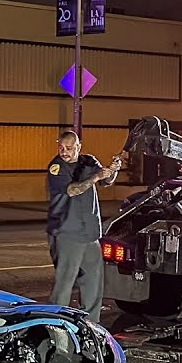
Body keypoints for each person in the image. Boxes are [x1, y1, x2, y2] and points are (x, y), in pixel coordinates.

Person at [46, 130, 123, 321]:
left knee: (93, 282)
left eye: (69, 148)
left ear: (78, 147)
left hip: (89, 233)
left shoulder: (88, 161)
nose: (64, 151)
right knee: (64, 283)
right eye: (61, 147)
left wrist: (112, 170)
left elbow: (107, 181)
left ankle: (91, 324)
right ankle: (56, 325)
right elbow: (73, 190)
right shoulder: (56, 167)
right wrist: (95, 177)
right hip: (67, 232)